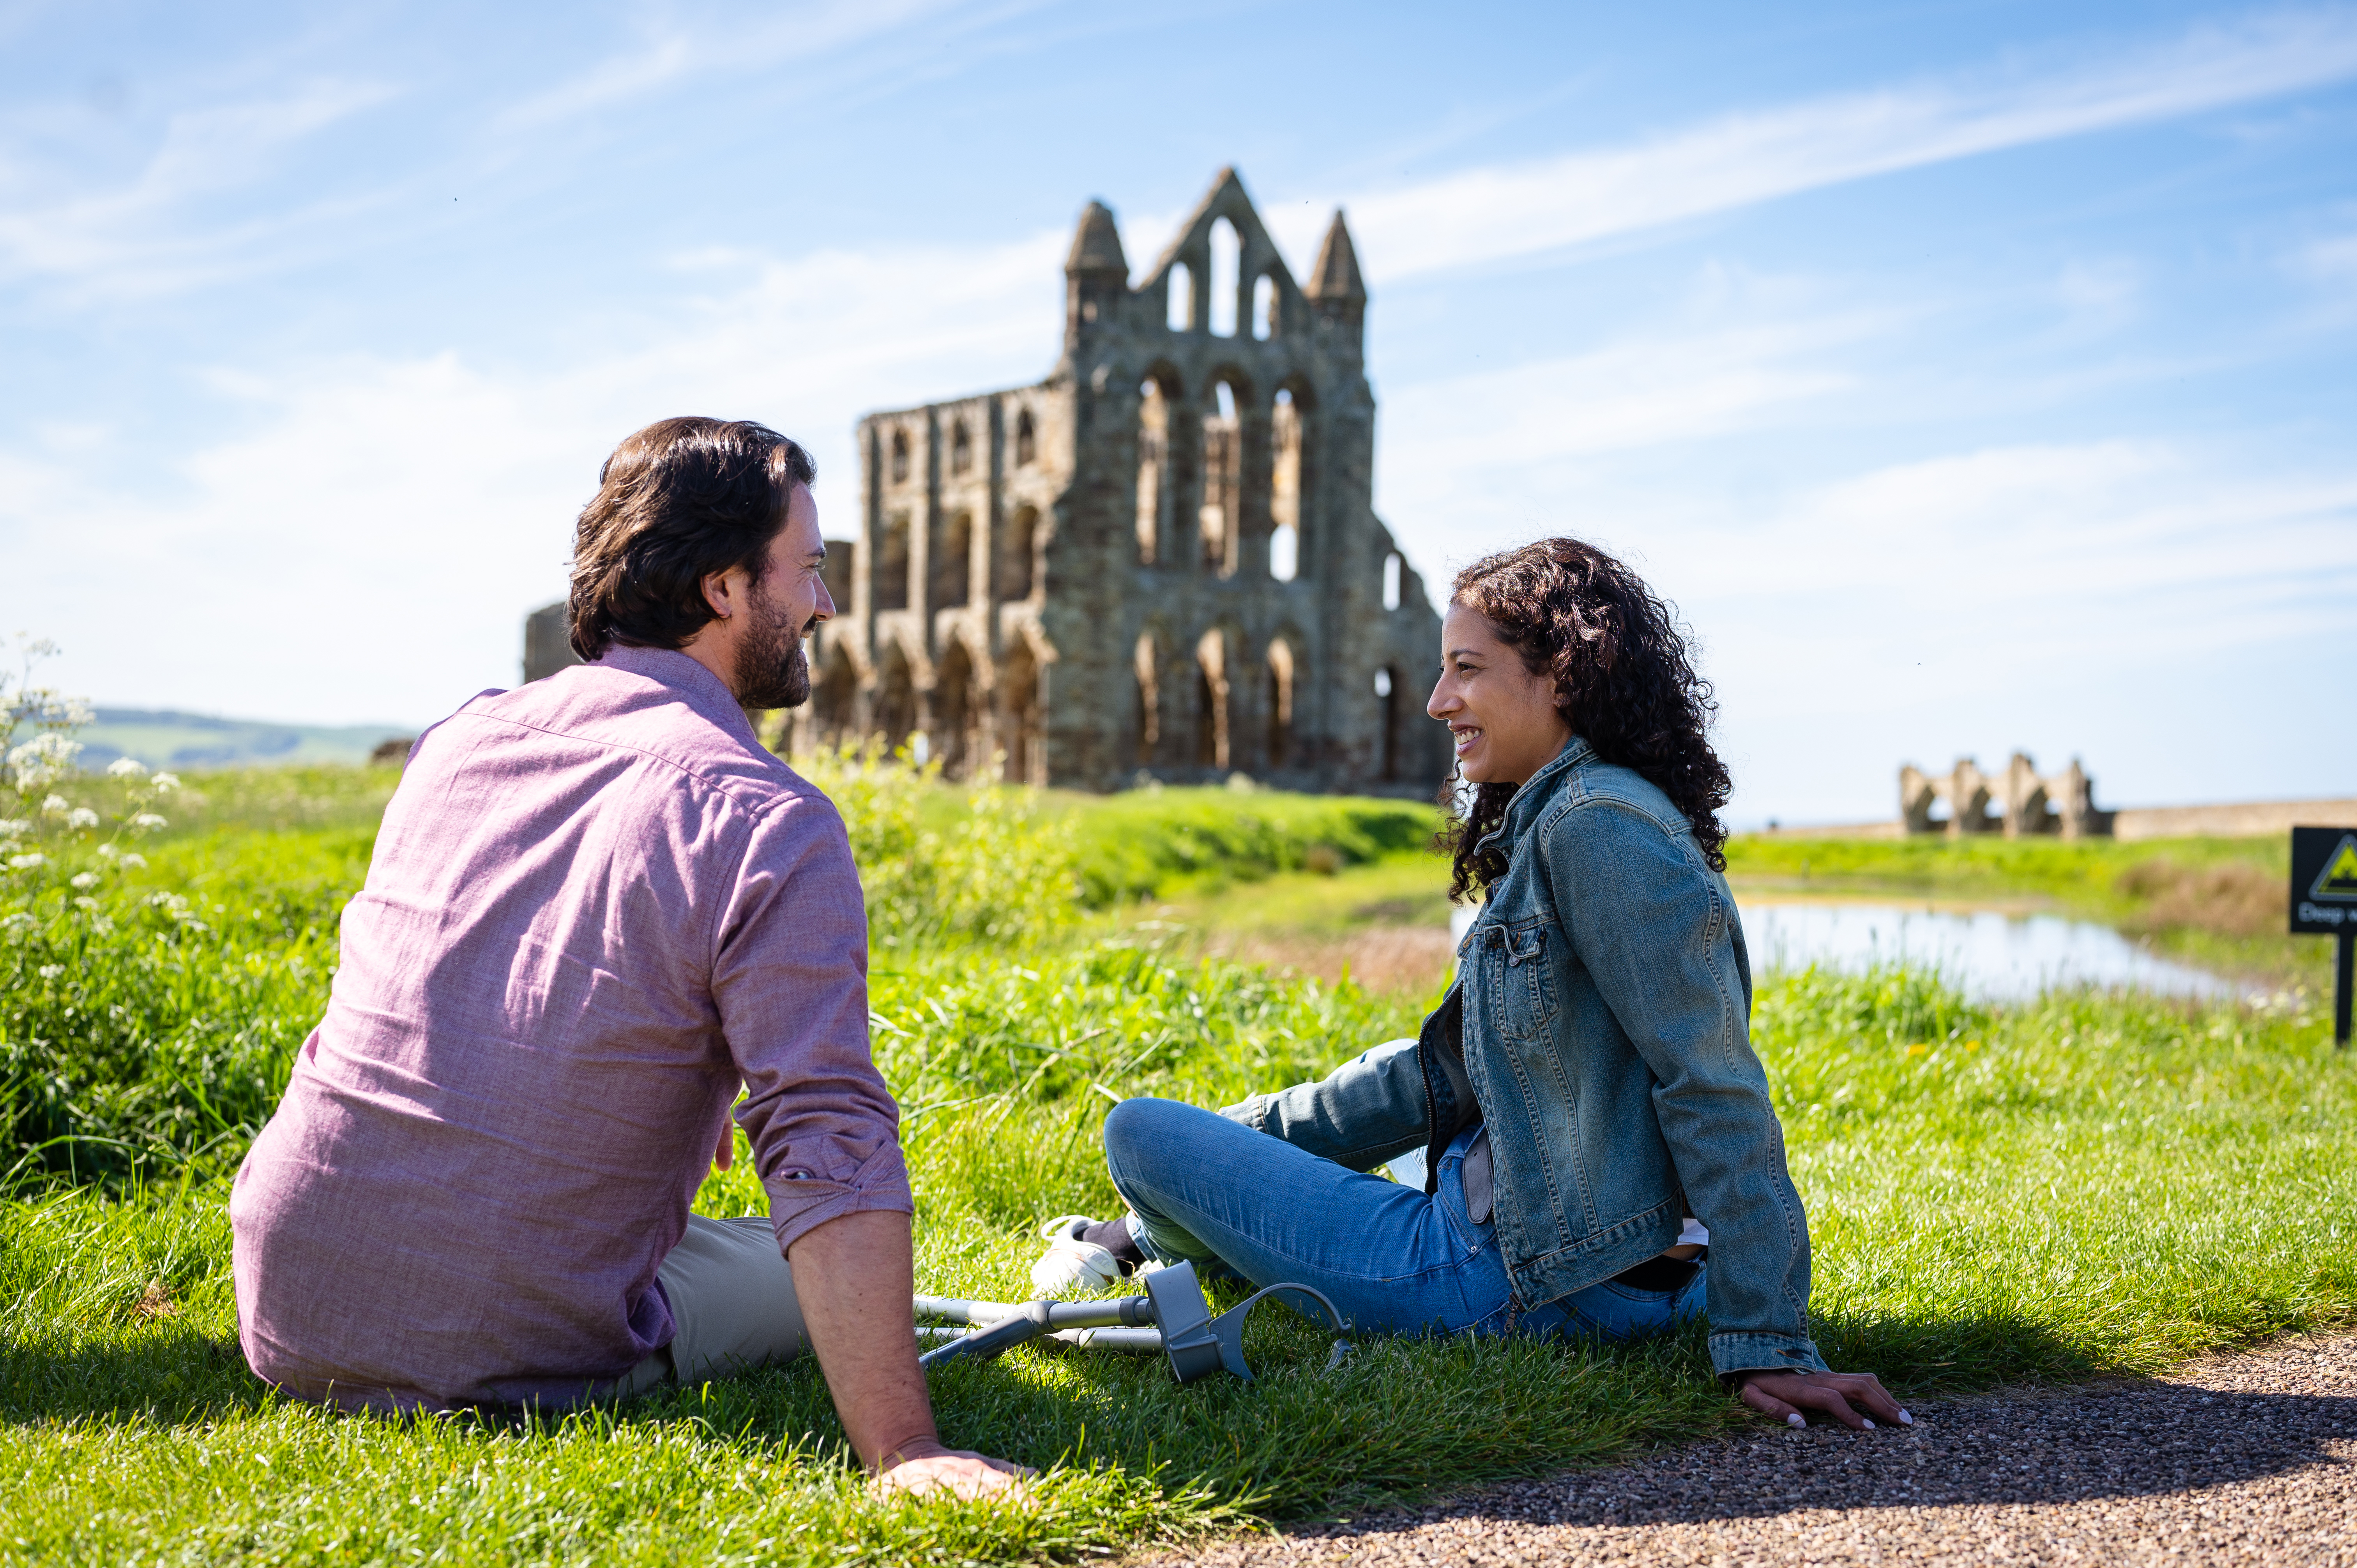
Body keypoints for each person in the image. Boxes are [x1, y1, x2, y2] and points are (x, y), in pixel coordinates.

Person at [232, 417, 1025, 1496]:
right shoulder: (767, 817)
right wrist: (907, 1450)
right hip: (492, 1344)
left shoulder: (460, 740)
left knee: (721, 1234)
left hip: (291, 1298)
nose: (826, 608)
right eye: (808, 572)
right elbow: (822, 1130)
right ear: (722, 590)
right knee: (800, 1276)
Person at [1035, 538, 1907, 1432]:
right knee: (1392, 1109)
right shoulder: (1580, 811)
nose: (1436, 700)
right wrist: (1240, 1140)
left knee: (1138, 1131)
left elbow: (1711, 1080)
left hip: (1513, 1285)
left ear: (1562, 675)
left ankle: (1149, 1230)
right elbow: (1431, 1078)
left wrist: (1768, 1337)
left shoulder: (1596, 828)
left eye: (1466, 669)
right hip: (1598, 1257)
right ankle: (1149, 1231)